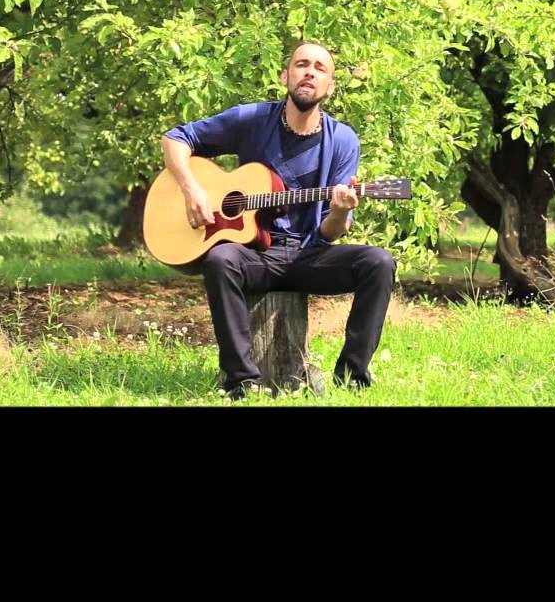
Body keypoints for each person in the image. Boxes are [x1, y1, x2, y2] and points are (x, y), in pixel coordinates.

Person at [161, 40, 395, 398]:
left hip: (308, 255)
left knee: (378, 263)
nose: (310, 72)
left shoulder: (343, 140)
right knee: (220, 259)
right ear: (285, 75)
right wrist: (192, 189)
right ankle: (242, 382)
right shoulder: (252, 119)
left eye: (320, 68)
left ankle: (351, 378)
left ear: (329, 87)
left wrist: (342, 209)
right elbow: (176, 138)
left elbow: (329, 233)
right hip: (254, 254)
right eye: (302, 64)